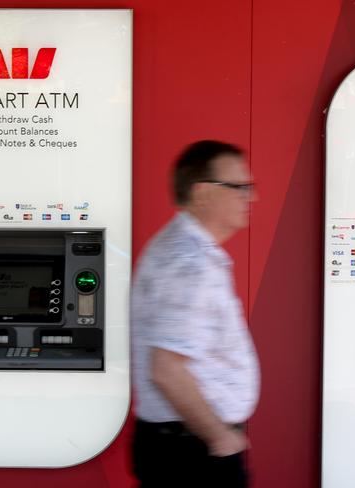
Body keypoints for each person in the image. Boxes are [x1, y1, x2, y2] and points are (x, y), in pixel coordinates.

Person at [131, 140, 260, 488]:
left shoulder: (182, 248)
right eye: (240, 187)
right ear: (203, 193)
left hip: (181, 444)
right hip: (191, 452)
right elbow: (167, 369)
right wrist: (219, 436)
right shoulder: (190, 262)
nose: (252, 197)